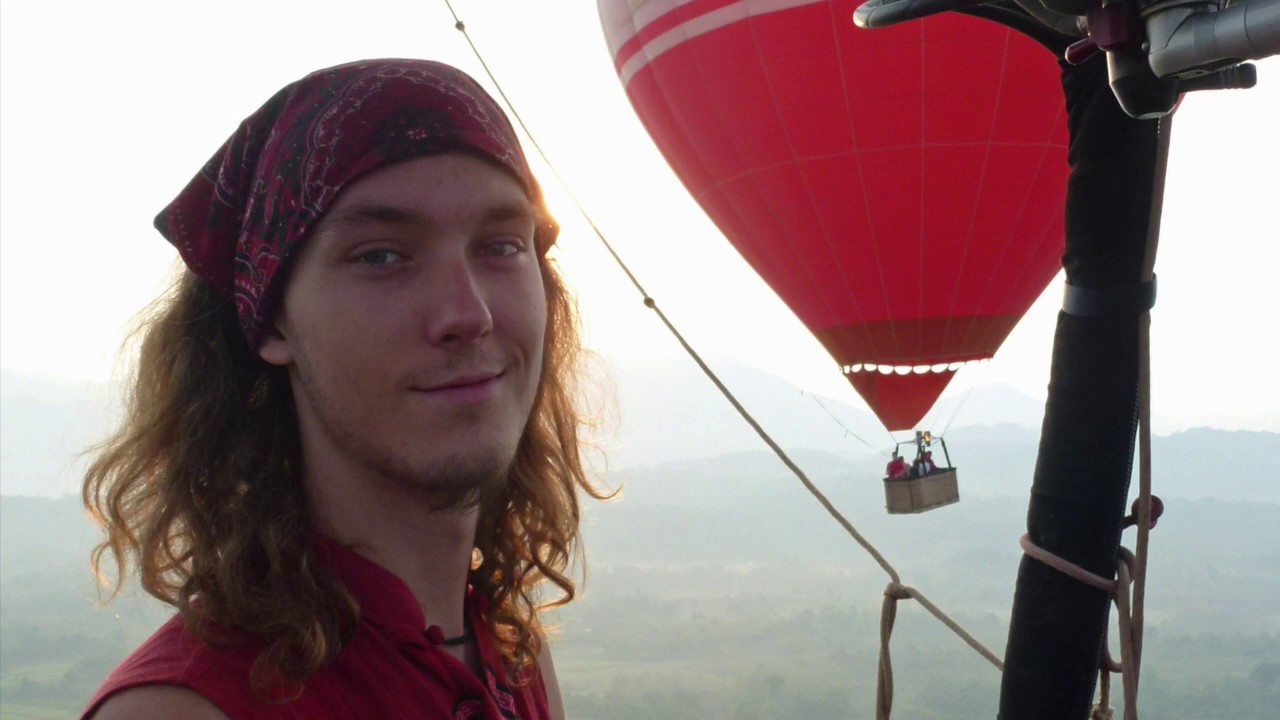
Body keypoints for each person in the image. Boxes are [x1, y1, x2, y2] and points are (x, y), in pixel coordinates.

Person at [80, 59, 608, 720]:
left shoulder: (508, 652)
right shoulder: (187, 711)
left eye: (501, 245)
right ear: (272, 319)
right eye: (381, 255)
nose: (468, 313)